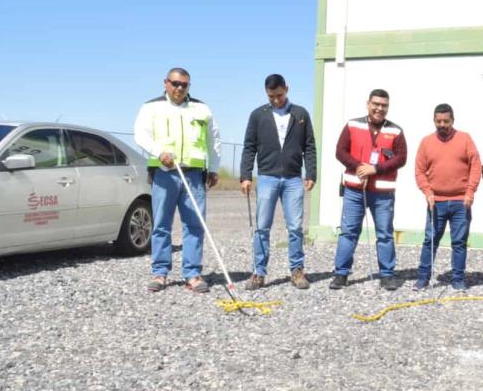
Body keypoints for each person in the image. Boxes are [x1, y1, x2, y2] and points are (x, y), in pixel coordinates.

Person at [135, 67, 221, 294]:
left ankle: (192, 274)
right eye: (175, 83)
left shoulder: (202, 109)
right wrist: (158, 151)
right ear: (165, 83)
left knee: (194, 224)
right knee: (161, 224)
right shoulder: (151, 107)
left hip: (193, 174)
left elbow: (214, 140)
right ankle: (160, 272)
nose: (179, 88)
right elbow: (141, 134)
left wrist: (213, 168)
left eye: (184, 84)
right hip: (164, 173)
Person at [239, 74, 317, 290]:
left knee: (295, 228)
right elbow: (249, 146)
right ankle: (259, 272)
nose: (276, 100)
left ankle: (297, 271)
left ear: (287, 89)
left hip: (293, 179)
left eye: (279, 95)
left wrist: (311, 173)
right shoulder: (258, 115)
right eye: (271, 96)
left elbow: (309, 145)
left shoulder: (300, 114)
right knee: (262, 228)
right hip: (266, 178)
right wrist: (245, 175)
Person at [330, 89, 407, 291]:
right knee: (348, 232)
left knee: (385, 234)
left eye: (384, 105)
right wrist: (359, 167)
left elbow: (401, 158)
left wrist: (376, 168)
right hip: (354, 191)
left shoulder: (396, 131)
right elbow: (340, 151)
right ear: (368, 104)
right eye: (376, 104)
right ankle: (341, 274)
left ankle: (387, 274)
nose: (379, 108)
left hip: (383, 193)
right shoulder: (353, 125)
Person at [414, 103, 482, 292]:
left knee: (459, 242)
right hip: (436, 202)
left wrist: (470, 192)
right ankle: (423, 278)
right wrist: (427, 192)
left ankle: (458, 279)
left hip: (462, 202)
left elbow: (476, 166)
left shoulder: (465, 139)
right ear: (434, 121)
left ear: (453, 120)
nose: (442, 124)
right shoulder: (426, 142)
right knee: (430, 241)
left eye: (446, 121)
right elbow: (419, 171)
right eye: (438, 121)